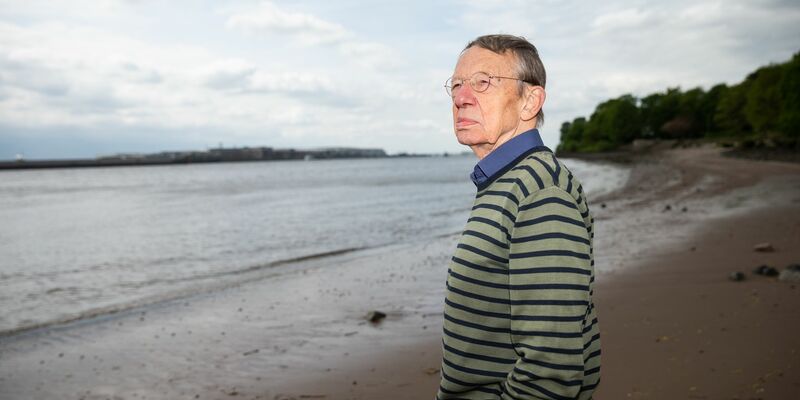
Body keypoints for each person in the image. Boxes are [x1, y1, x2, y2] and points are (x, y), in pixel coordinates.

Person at [437, 34, 601, 399]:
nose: (461, 98)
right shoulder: (508, 182)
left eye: (483, 82)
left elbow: (551, 369)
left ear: (531, 100)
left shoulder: (541, 192)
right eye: (457, 85)